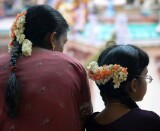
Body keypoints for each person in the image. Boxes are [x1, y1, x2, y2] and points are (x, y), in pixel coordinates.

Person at [0, 5, 92, 131]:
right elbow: (84, 119)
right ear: (52, 38)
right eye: (63, 42)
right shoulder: (72, 66)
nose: (63, 49)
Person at [86, 44, 160, 131]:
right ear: (134, 84)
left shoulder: (91, 123)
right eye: (145, 76)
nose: (146, 81)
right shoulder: (148, 121)